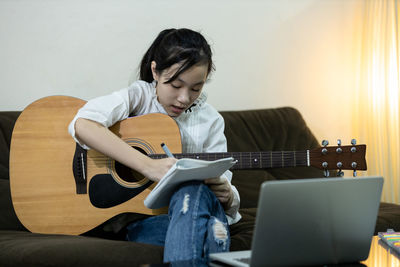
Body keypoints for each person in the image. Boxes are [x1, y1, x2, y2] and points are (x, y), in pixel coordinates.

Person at [68, 28, 241, 263]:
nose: (184, 98)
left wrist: (228, 195)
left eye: (196, 88)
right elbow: (84, 125)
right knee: (208, 232)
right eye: (175, 85)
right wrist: (148, 166)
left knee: (192, 189)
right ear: (155, 71)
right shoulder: (139, 97)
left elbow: (224, 183)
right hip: (150, 217)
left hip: (199, 204)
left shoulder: (211, 120)